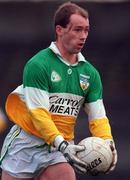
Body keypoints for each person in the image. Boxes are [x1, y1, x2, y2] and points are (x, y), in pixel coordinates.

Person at [0, 2, 117, 180]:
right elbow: (39, 114)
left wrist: (108, 142)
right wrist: (61, 144)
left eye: (86, 30)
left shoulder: (90, 74)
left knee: (65, 175)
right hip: (26, 145)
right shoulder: (38, 65)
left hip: (60, 149)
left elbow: (98, 117)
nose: (83, 36)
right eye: (77, 30)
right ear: (59, 30)